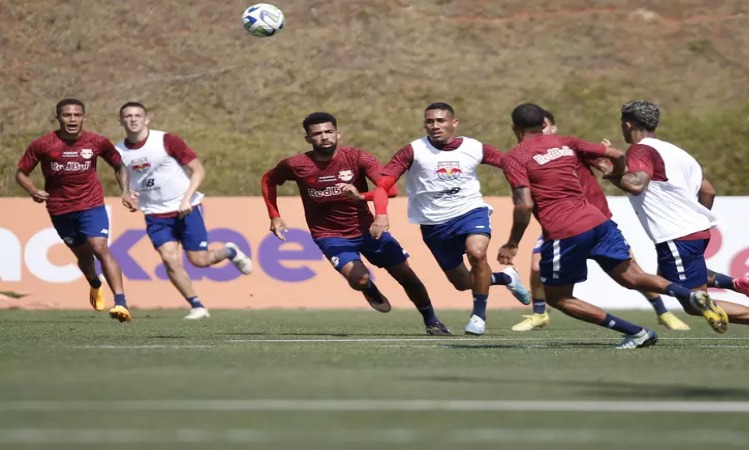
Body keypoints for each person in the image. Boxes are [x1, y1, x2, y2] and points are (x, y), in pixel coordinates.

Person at [497, 102, 728, 349]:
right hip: (599, 221)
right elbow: (617, 154)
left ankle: (636, 332)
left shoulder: (515, 157)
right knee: (633, 276)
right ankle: (690, 294)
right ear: (544, 124)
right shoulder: (565, 141)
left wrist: (512, 244)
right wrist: (615, 174)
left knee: (559, 297)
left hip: (565, 231)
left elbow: (524, 206)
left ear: (514, 127)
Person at [607, 100, 749, 346]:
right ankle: (738, 284)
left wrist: (609, 170)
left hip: (676, 234)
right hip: (692, 231)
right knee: (668, 279)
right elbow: (708, 191)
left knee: (694, 303)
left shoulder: (640, 151)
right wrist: (693, 220)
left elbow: (636, 184)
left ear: (628, 124)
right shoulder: (678, 153)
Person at [261, 112, 450, 335]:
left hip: (367, 230)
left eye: (329, 132)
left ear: (338, 134)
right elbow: (268, 179)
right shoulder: (296, 165)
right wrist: (274, 214)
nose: (324, 137)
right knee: (359, 279)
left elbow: (390, 189)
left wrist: (365, 199)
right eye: (317, 134)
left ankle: (432, 321)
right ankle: (369, 289)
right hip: (329, 235)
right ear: (308, 139)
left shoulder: (358, 158)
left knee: (406, 275)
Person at [512, 109, 691, 332]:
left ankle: (662, 312)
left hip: (592, 216)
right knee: (537, 265)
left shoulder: (568, 147)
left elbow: (609, 164)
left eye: (547, 126)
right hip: (563, 221)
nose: (544, 132)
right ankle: (539, 314)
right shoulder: (539, 153)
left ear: (552, 128)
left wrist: (608, 165)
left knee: (632, 272)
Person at [369, 102, 531, 336]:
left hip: (469, 211)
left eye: (441, 121)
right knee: (463, 282)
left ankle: (479, 316)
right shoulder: (412, 151)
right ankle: (505, 277)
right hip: (434, 224)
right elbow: (383, 184)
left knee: (477, 254)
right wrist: (381, 213)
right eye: (430, 121)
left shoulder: (475, 148)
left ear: (454, 123)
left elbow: (509, 163)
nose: (435, 125)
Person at [115, 102, 253, 320]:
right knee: (169, 258)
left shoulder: (166, 140)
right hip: (154, 213)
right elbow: (122, 171)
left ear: (146, 119)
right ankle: (197, 306)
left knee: (200, 260)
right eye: (128, 116)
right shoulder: (118, 150)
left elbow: (198, 169)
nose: (133, 119)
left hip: (185, 208)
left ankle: (230, 251)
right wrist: (126, 192)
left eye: (137, 115)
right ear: (120, 121)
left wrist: (187, 199)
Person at [16, 98, 136, 322]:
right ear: (58, 117)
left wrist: (126, 192)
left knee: (99, 247)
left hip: (91, 205)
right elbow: (21, 173)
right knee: (85, 258)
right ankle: (94, 283)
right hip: (60, 209)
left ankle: (121, 303)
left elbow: (119, 166)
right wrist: (32, 190)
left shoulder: (97, 142)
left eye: (76, 115)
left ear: (84, 117)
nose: (72, 119)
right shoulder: (42, 144)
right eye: (67, 115)